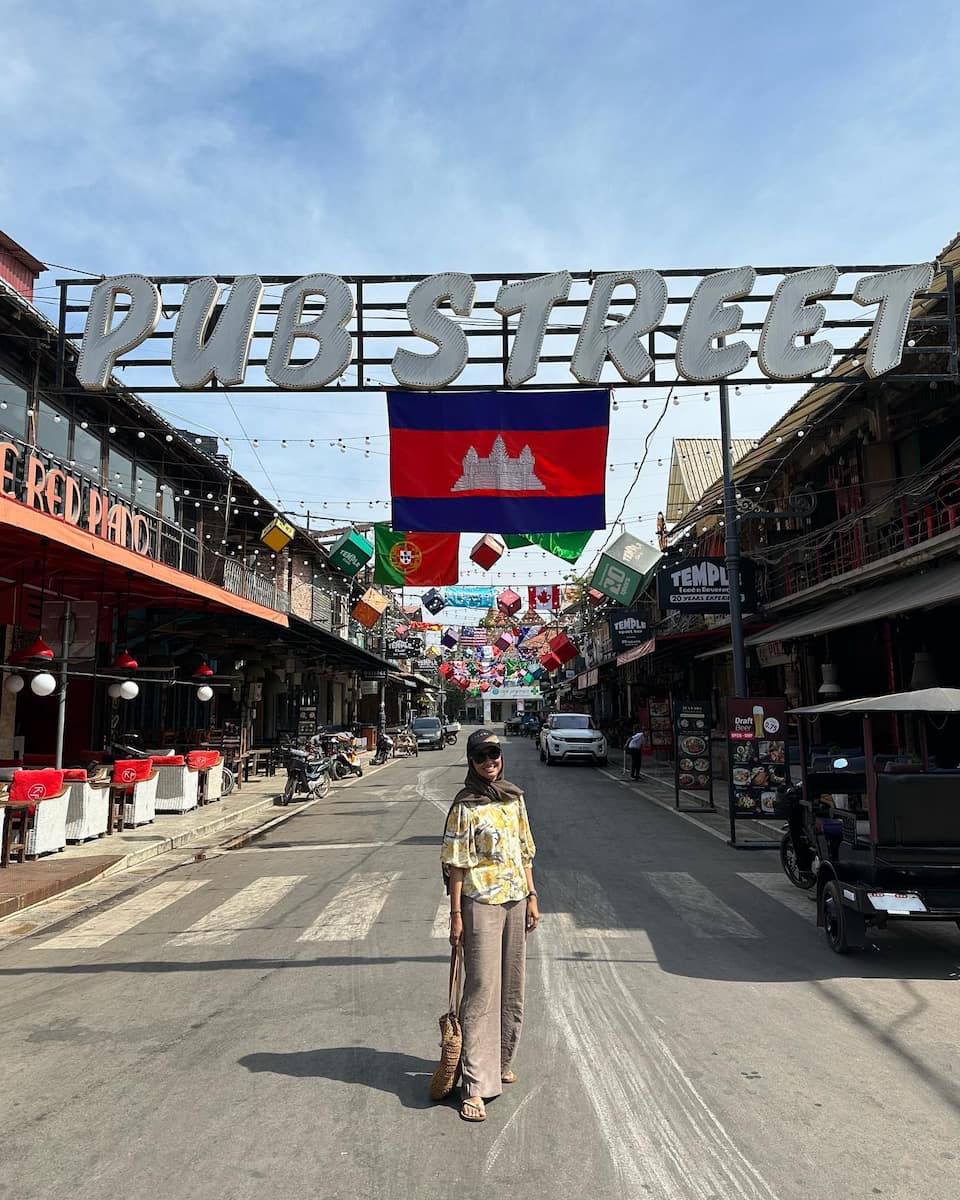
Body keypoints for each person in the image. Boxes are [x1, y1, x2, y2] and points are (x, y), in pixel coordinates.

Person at [441, 728, 538, 1123]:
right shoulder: (466, 806)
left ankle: (500, 1061)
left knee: (513, 984)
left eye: (494, 754)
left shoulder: (514, 798)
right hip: (480, 901)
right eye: (481, 756)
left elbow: (524, 850)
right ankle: (474, 1083)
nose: (489, 762)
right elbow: (456, 864)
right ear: (471, 761)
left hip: (515, 898)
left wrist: (532, 895)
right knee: (481, 988)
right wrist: (456, 915)